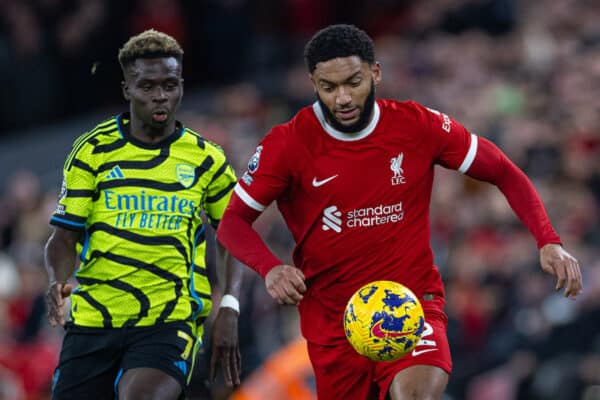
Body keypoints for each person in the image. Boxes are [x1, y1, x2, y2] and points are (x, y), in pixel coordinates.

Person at [216, 24, 583, 400]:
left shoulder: (416, 125)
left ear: (376, 73)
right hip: (335, 324)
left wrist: (548, 240)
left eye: (353, 82)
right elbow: (232, 223)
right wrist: (270, 268)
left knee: (415, 395)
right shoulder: (287, 145)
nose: (342, 97)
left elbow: (503, 170)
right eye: (329, 87)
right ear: (313, 83)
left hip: (410, 304)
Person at [44, 29, 242, 400]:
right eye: (147, 86)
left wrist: (229, 303)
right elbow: (63, 237)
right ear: (127, 90)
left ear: (181, 85)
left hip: (168, 320)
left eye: (170, 84)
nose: (160, 95)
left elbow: (235, 233)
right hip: (95, 318)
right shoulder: (93, 151)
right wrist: (57, 280)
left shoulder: (206, 158)